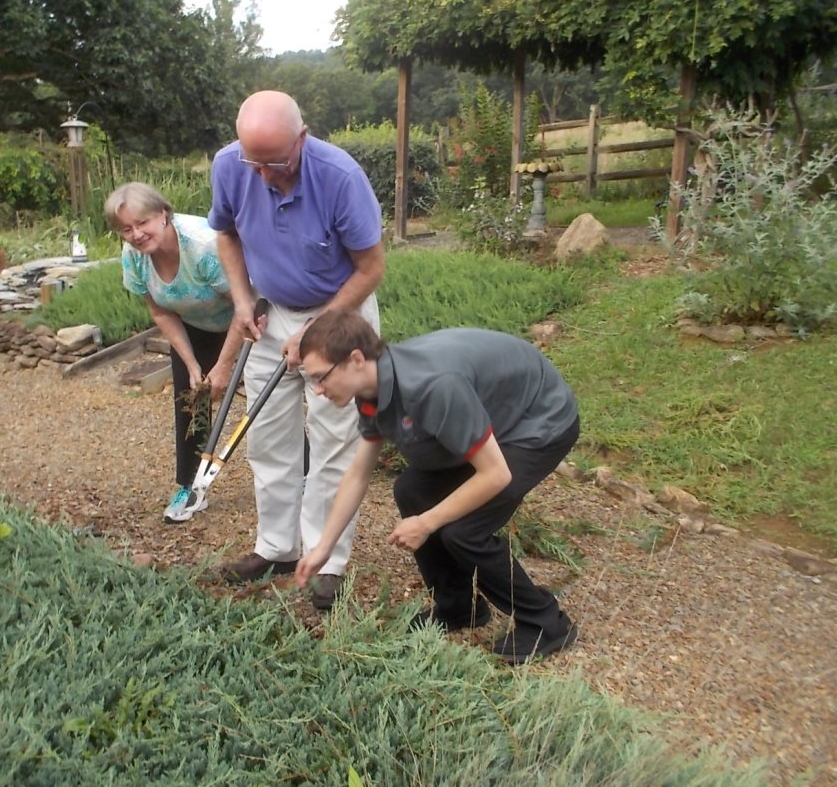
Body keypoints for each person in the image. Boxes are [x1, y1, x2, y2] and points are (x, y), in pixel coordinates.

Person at [293, 310, 580, 665]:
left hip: (539, 421)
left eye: (321, 377)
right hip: (495, 417)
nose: (317, 390)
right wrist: (323, 548)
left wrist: (427, 523)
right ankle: (458, 607)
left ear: (355, 359)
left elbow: (496, 475)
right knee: (411, 491)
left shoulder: (431, 387)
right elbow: (358, 474)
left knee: (463, 531)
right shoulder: (371, 388)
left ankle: (546, 622)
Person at [207, 90, 385, 609]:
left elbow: (371, 268)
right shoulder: (229, 165)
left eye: (276, 162)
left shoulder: (340, 177)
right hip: (270, 310)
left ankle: (326, 562)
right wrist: (242, 300)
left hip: (338, 311)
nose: (264, 175)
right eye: (254, 163)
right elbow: (226, 235)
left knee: (333, 438)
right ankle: (276, 548)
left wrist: (314, 332)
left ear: (302, 138)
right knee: (266, 435)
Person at [105, 182, 245, 522]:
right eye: (126, 229)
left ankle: (302, 471)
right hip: (196, 324)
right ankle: (191, 485)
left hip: (247, 320)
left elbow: (246, 306)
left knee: (265, 402)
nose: (136, 234)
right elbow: (161, 312)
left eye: (143, 223)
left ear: (163, 214)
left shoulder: (203, 246)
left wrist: (224, 365)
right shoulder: (134, 256)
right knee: (190, 399)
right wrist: (193, 364)